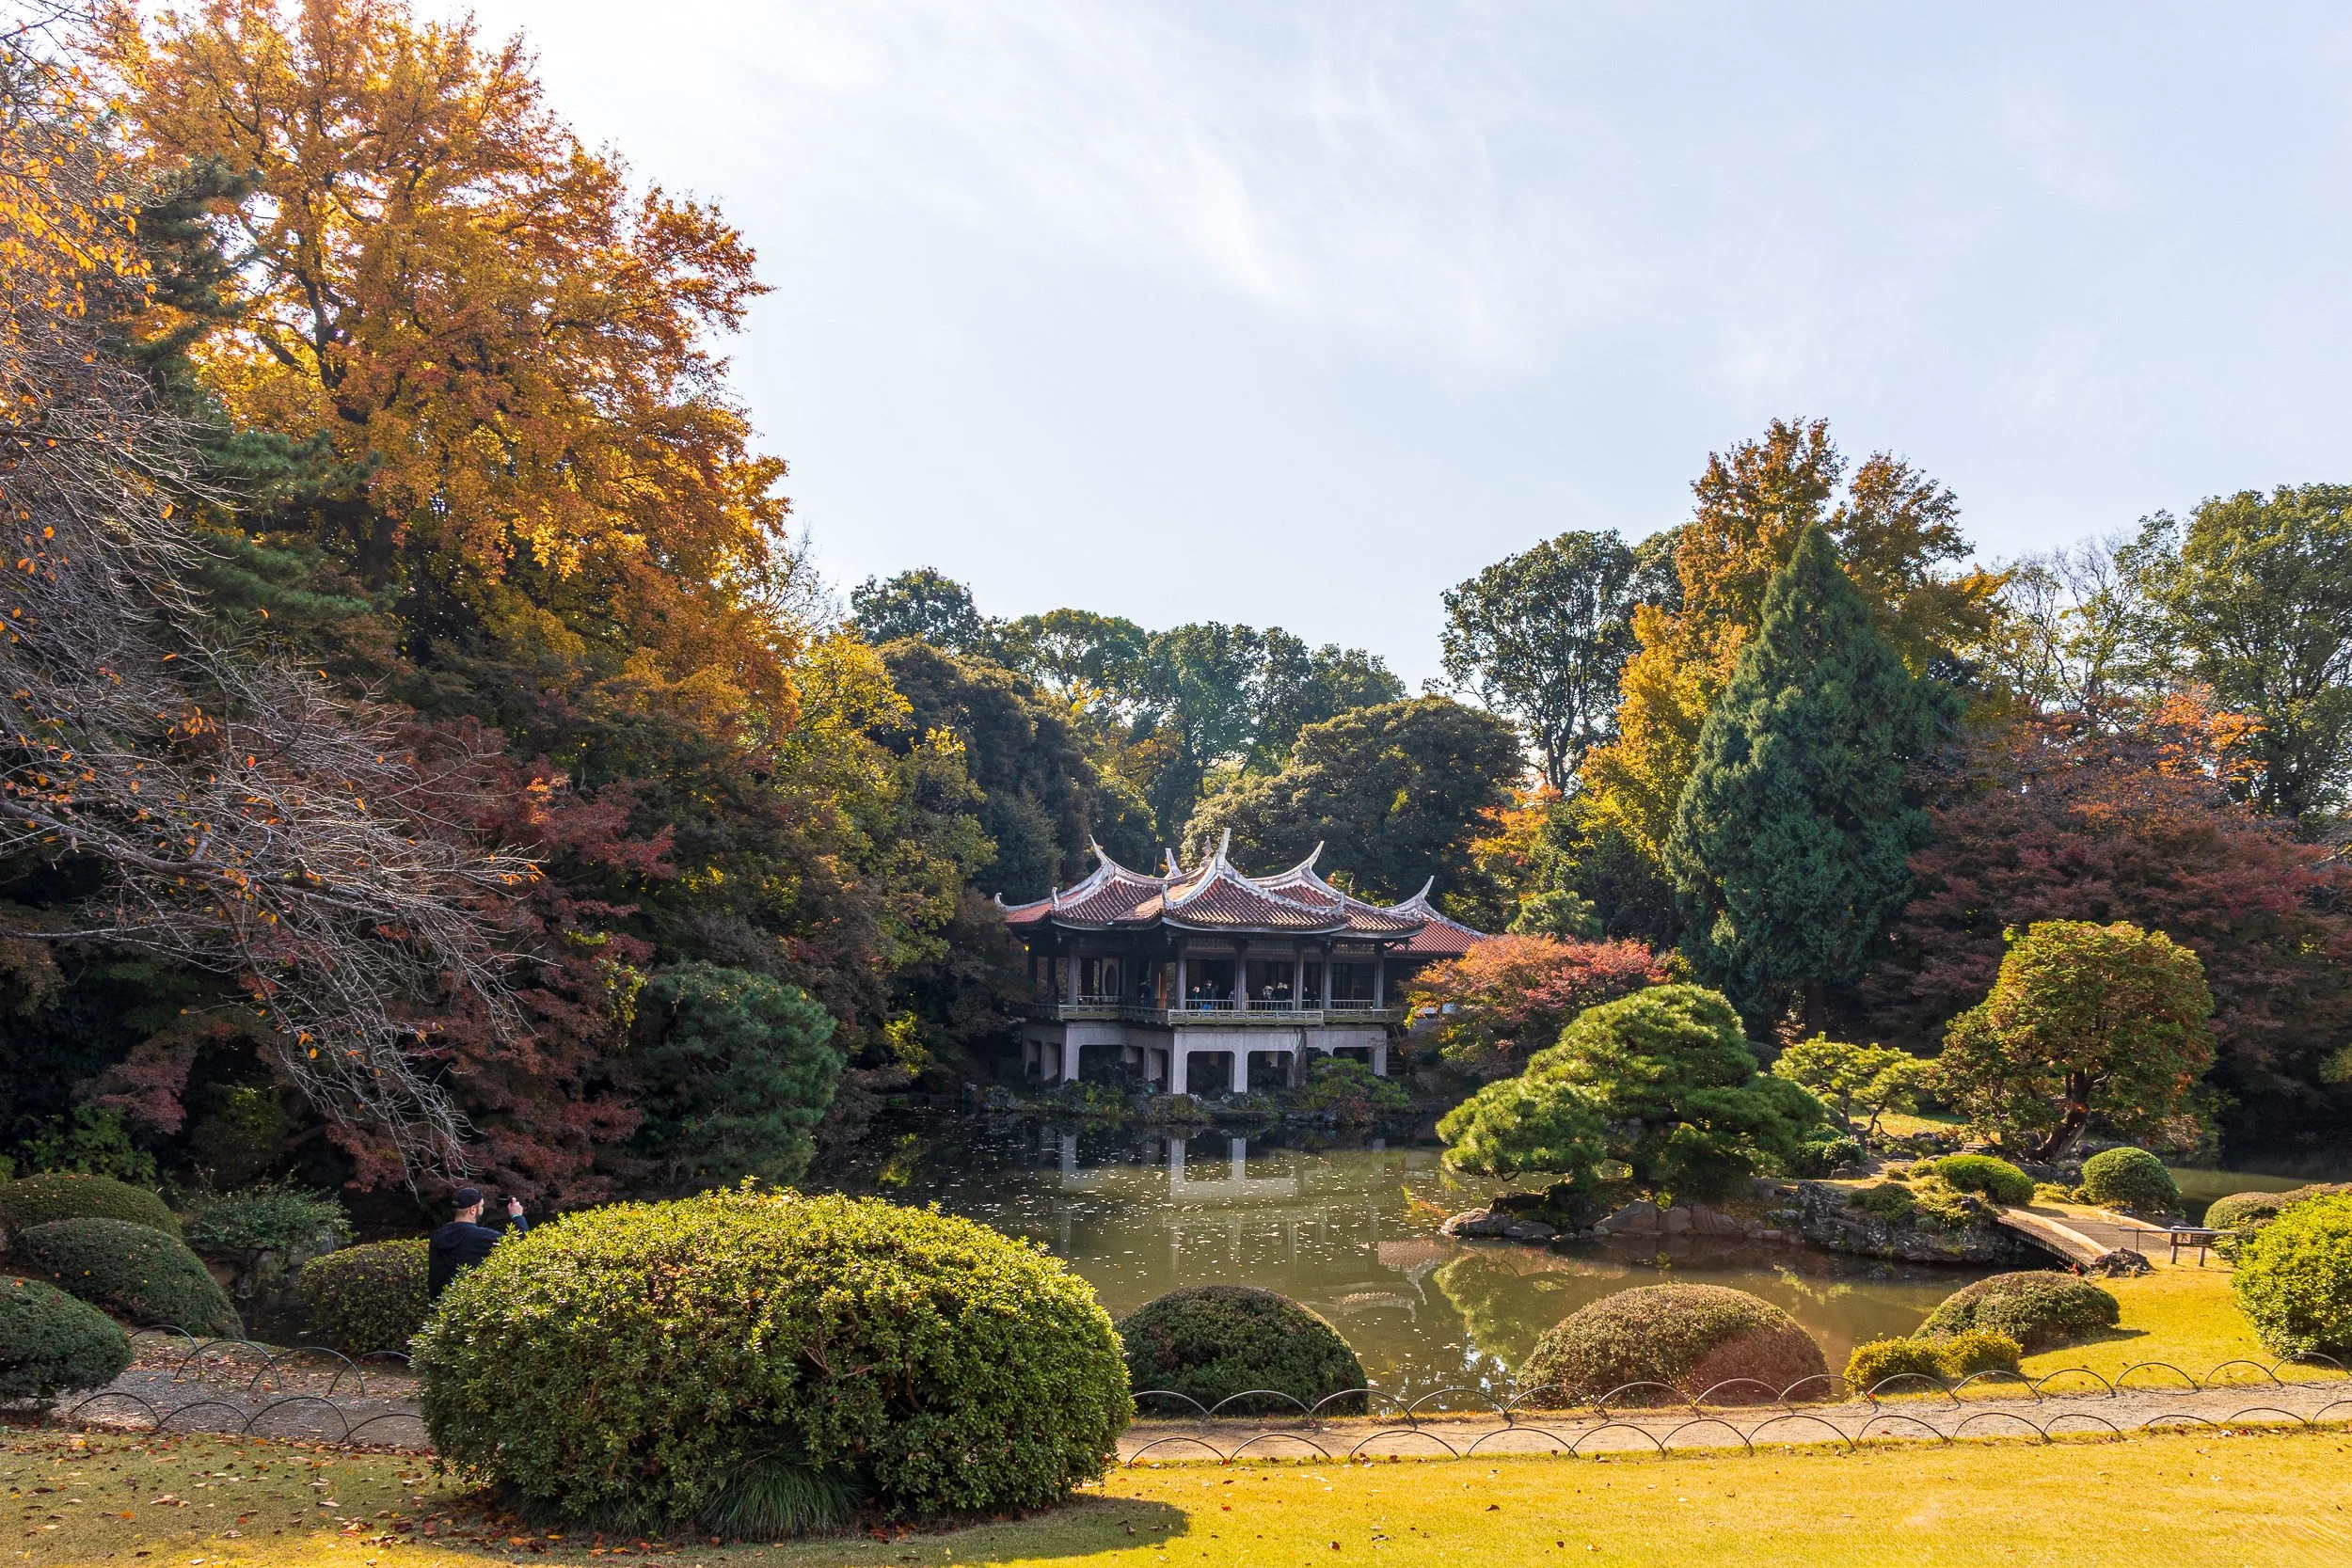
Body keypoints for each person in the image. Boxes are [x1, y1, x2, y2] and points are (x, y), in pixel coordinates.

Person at [426, 1185, 527, 1299]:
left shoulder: (437, 1235)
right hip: (465, 1305)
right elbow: (521, 1244)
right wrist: (517, 1216)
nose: (483, 1209)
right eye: (482, 1206)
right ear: (473, 1210)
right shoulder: (480, 1236)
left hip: (438, 1305)